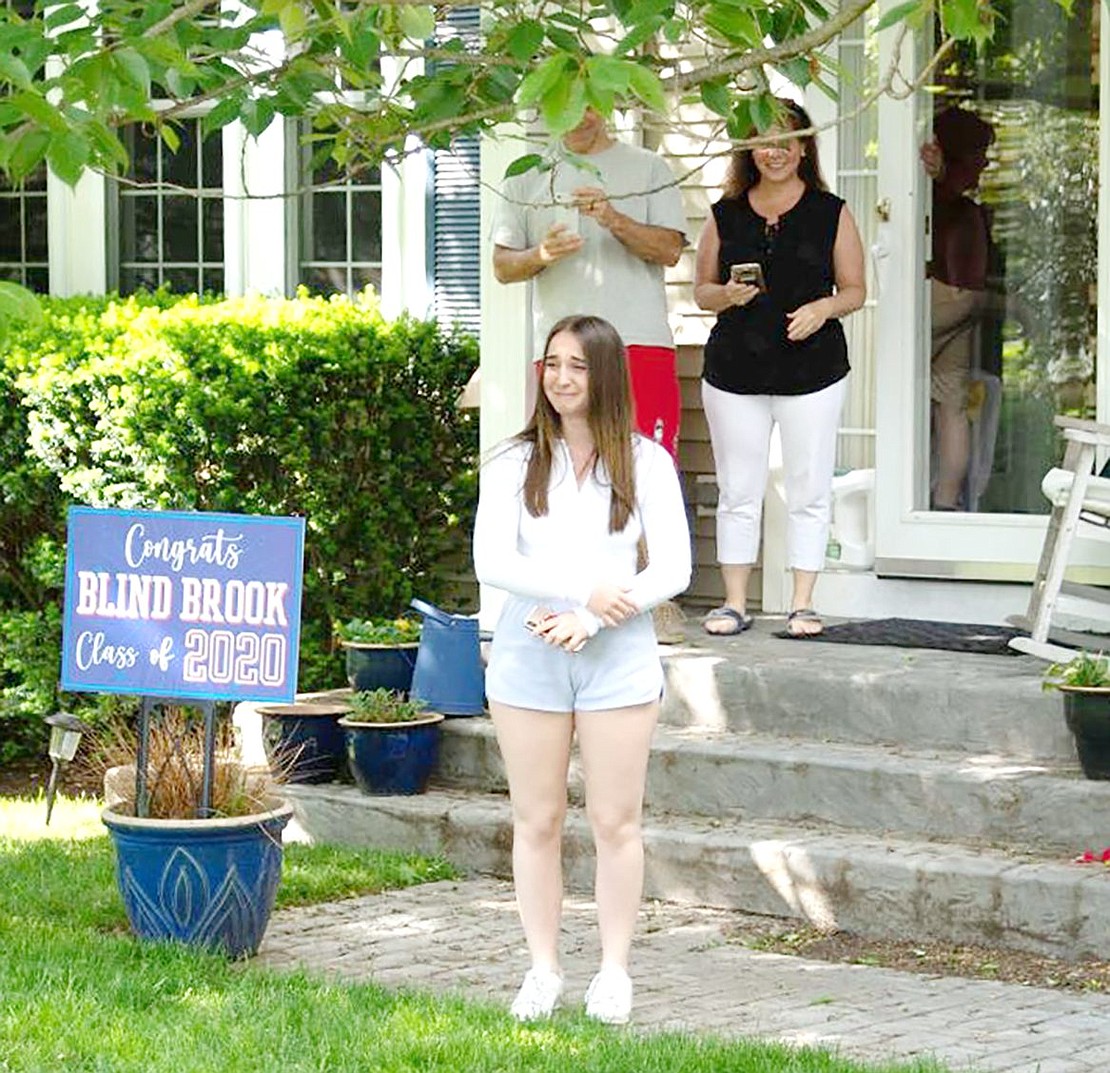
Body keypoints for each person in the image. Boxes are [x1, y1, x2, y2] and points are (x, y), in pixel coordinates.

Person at [472, 314, 691, 1025]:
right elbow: (494, 562)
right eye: (552, 364)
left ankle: (615, 970)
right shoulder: (512, 462)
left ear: (606, 376)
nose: (562, 379)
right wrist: (574, 590)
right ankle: (543, 969)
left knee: (615, 820)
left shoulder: (645, 462)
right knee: (536, 818)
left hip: (617, 656)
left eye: (578, 366)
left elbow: (675, 567)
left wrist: (594, 616)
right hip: (529, 653)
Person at [693, 98, 866, 638]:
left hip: (812, 371)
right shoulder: (725, 213)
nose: (776, 152)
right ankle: (735, 602)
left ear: (804, 147)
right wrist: (725, 294)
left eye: (787, 140)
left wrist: (822, 308)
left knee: (808, 488)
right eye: (765, 141)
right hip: (734, 373)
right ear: (749, 149)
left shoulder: (830, 210)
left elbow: (856, 290)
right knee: (738, 490)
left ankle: (802, 604)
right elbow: (701, 291)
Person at [490, 108, 688, 461]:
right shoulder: (525, 176)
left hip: (637, 343)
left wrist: (614, 220)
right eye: (566, 104)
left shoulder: (650, 168)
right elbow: (503, 267)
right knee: (565, 469)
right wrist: (541, 254)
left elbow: (670, 250)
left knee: (647, 468)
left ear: (607, 102)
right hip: (560, 352)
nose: (579, 116)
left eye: (589, 104)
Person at [921, 106, 997, 510]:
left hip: (937, 313)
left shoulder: (931, 201)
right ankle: (945, 503)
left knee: (947, 408)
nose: (984, 163)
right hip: (951, 313)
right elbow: (969, 293)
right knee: (951, 410)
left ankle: (942, 502)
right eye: (978, 155)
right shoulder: (958, 211)